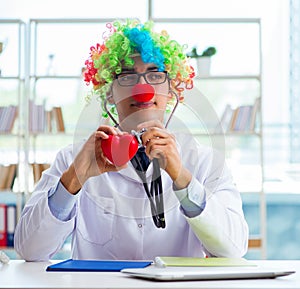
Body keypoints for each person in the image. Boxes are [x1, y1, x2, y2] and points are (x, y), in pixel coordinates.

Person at [14, 19, 249, 261]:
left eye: (155, 75)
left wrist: (182, 177)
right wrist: (75, 177)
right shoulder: (72, 159)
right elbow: (29, 251)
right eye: (127, 77)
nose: (142, 87)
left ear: (172, 90)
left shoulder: (205, 163)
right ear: (109, 93)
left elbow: (233, 249)